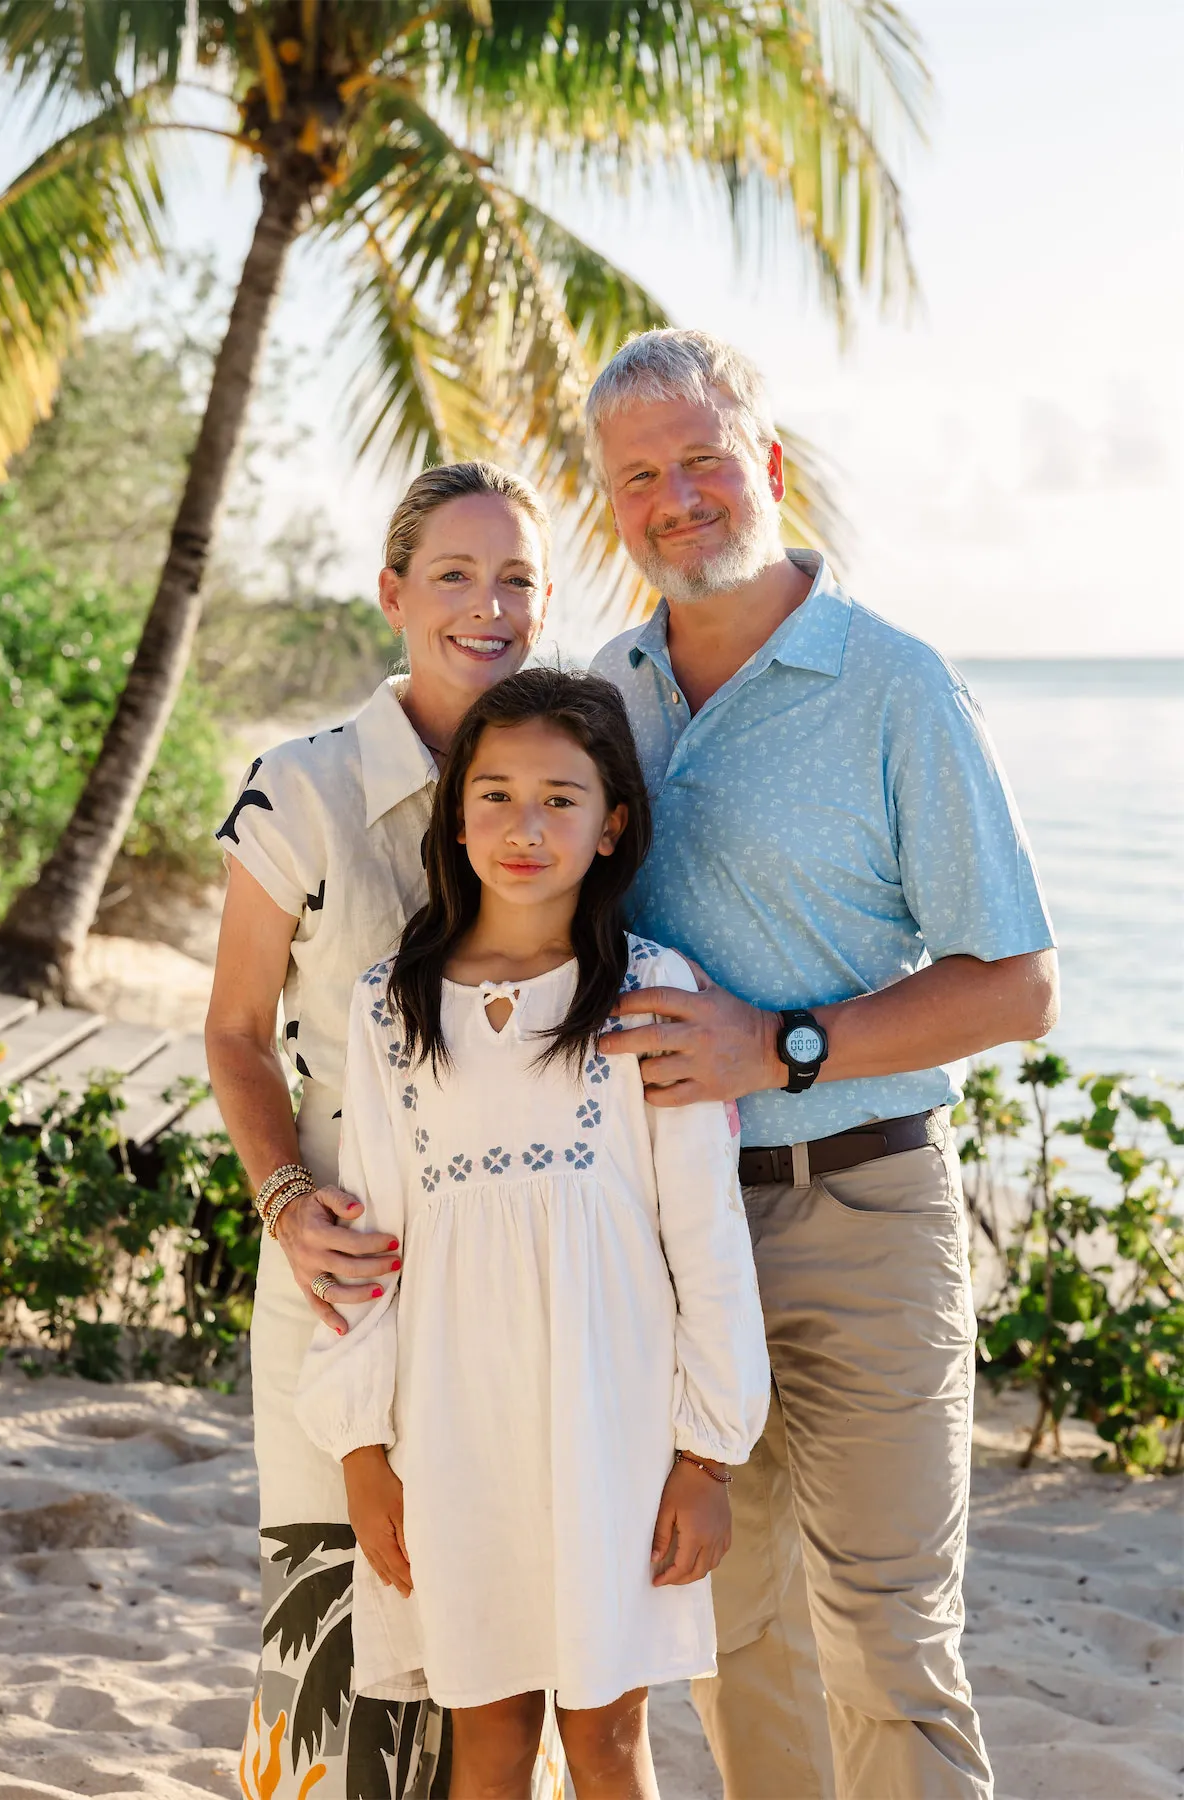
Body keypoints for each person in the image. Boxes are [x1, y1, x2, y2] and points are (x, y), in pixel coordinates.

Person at [585, 329, 1060, 1800]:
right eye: (641, 475)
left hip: (863, 1216)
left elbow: (1021, 984)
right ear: (613, 503)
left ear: (769, 465)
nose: (680, 497)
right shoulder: (605, 695)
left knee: (888, 1645)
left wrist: (781, 1047)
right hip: (671, 1241)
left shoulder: (894, 683)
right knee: (733, 1639)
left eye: (706, 459)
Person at [293, 667, 771, 1800]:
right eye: (496, 795)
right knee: (491, 1735)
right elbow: (371, 1246)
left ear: (613, 825)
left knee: (606, 1738)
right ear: (455, 816)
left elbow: (704, 1239)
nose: (525, 826)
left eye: (561, 798)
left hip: (614, 1434)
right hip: (453, 1433)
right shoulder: (389, 1008)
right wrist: (364, 1455)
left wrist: (706, 1458)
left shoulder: (654, 995)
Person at [205, 462, 561, 1800]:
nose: (489, 605)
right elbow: (234, 1034)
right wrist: (288, 1199)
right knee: (330, 1650)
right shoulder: (300, 790)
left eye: (519, 576)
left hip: (520, 1303)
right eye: (456, 574)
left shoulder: (576, 775)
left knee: (499, 1678)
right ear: (393, 594)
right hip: (340, 1292)